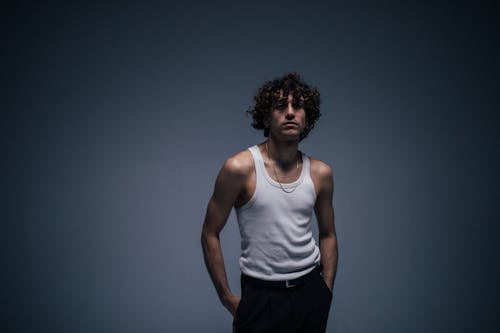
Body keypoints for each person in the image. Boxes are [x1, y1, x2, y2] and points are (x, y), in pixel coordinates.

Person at [201, 72, 338, 333]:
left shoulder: (321, 173)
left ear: (306, 117)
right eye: (280, 106)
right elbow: (209, 233)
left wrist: (325, 291)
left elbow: (328, 234)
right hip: (260, 296)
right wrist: (227, 298)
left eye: (297, 106)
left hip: (310, 292)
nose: (290, 113)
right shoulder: (240, 168)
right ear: (266, 116)